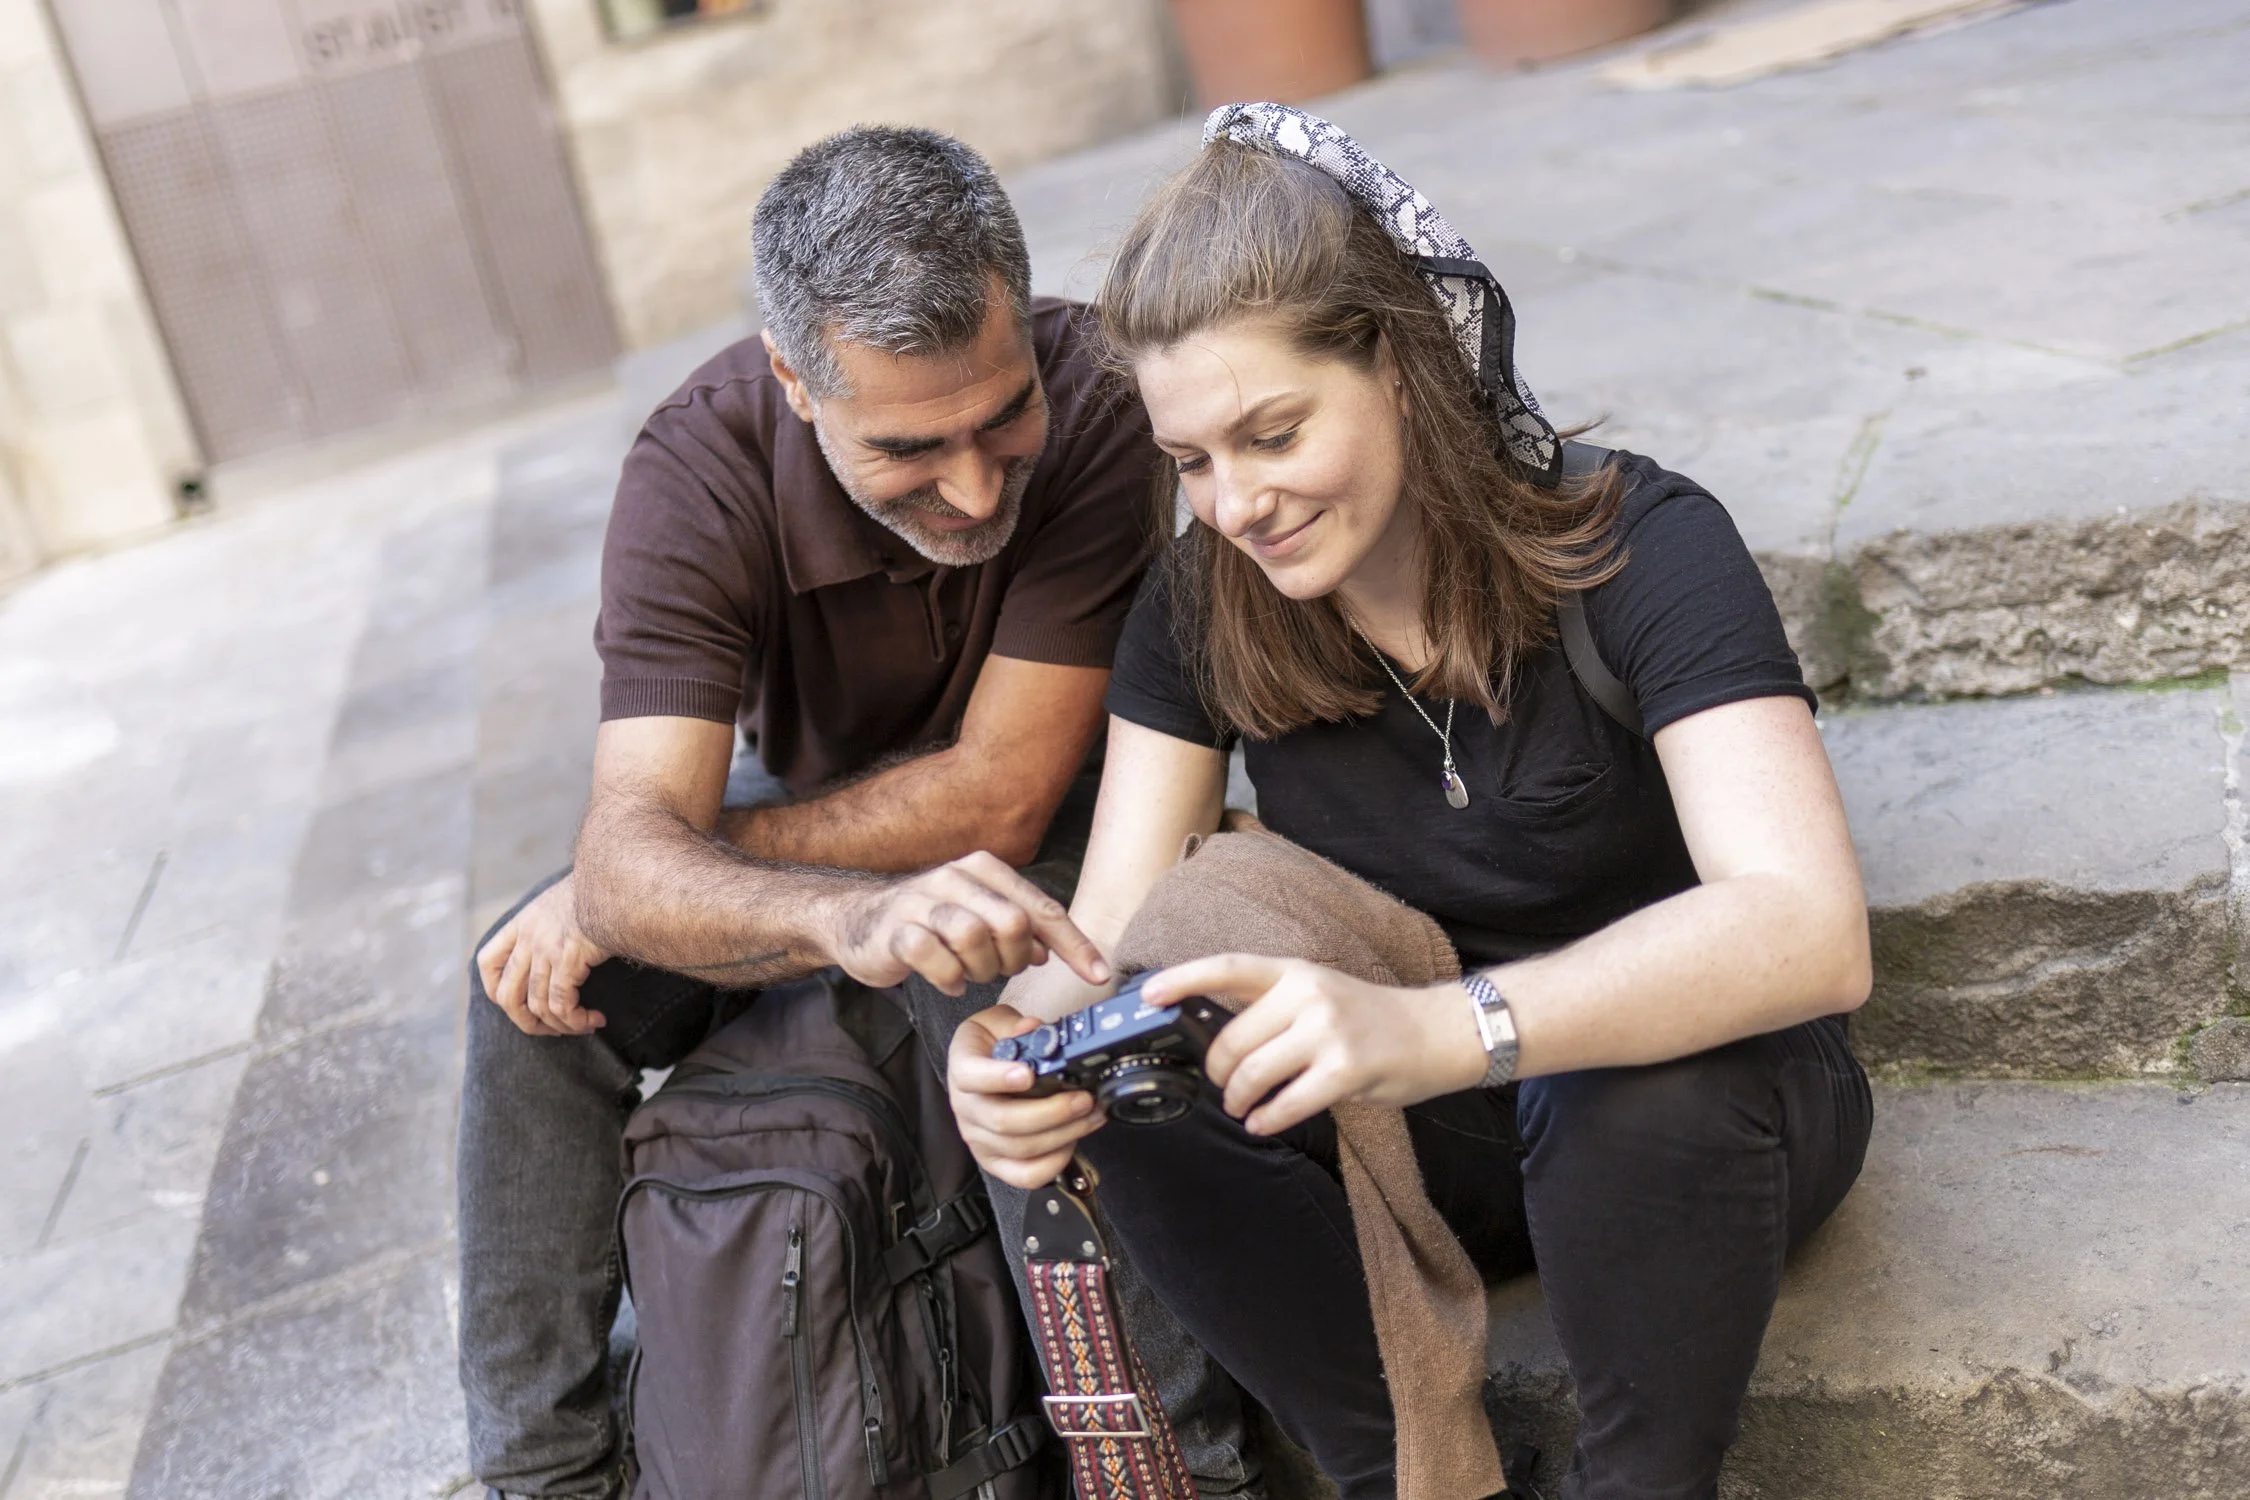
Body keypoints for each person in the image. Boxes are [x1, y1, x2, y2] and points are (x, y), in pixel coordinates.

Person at [947, 106, 1876, 1500]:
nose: (1238, 504)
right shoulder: (1206, 603)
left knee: (1629, 1094)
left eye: (1269, 433)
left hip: (1690, 1117)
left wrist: (1442, 1027)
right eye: (1191, 463)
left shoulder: (1638, 546)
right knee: (1145, 1065)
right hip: (1416, 1143)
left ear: (1395, 361)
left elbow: (1807, 930)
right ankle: (1399, 1472)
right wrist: (1019, 1056)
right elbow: (1112, 935)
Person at [455, 126, 1261, 1500]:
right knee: (528, 997)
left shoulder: (1100, 399)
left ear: (1021, 313)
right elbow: (639, 825)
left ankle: (1182, 1471)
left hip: (1069, 819)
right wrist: (821, 911)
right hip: (831, 829)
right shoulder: (696, 468)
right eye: (906, 446)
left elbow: (1000, 795)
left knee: (989, 974)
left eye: (999, 417)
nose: (971, 485)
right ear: (791, 381)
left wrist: (641, 875)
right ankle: (547, 1474)